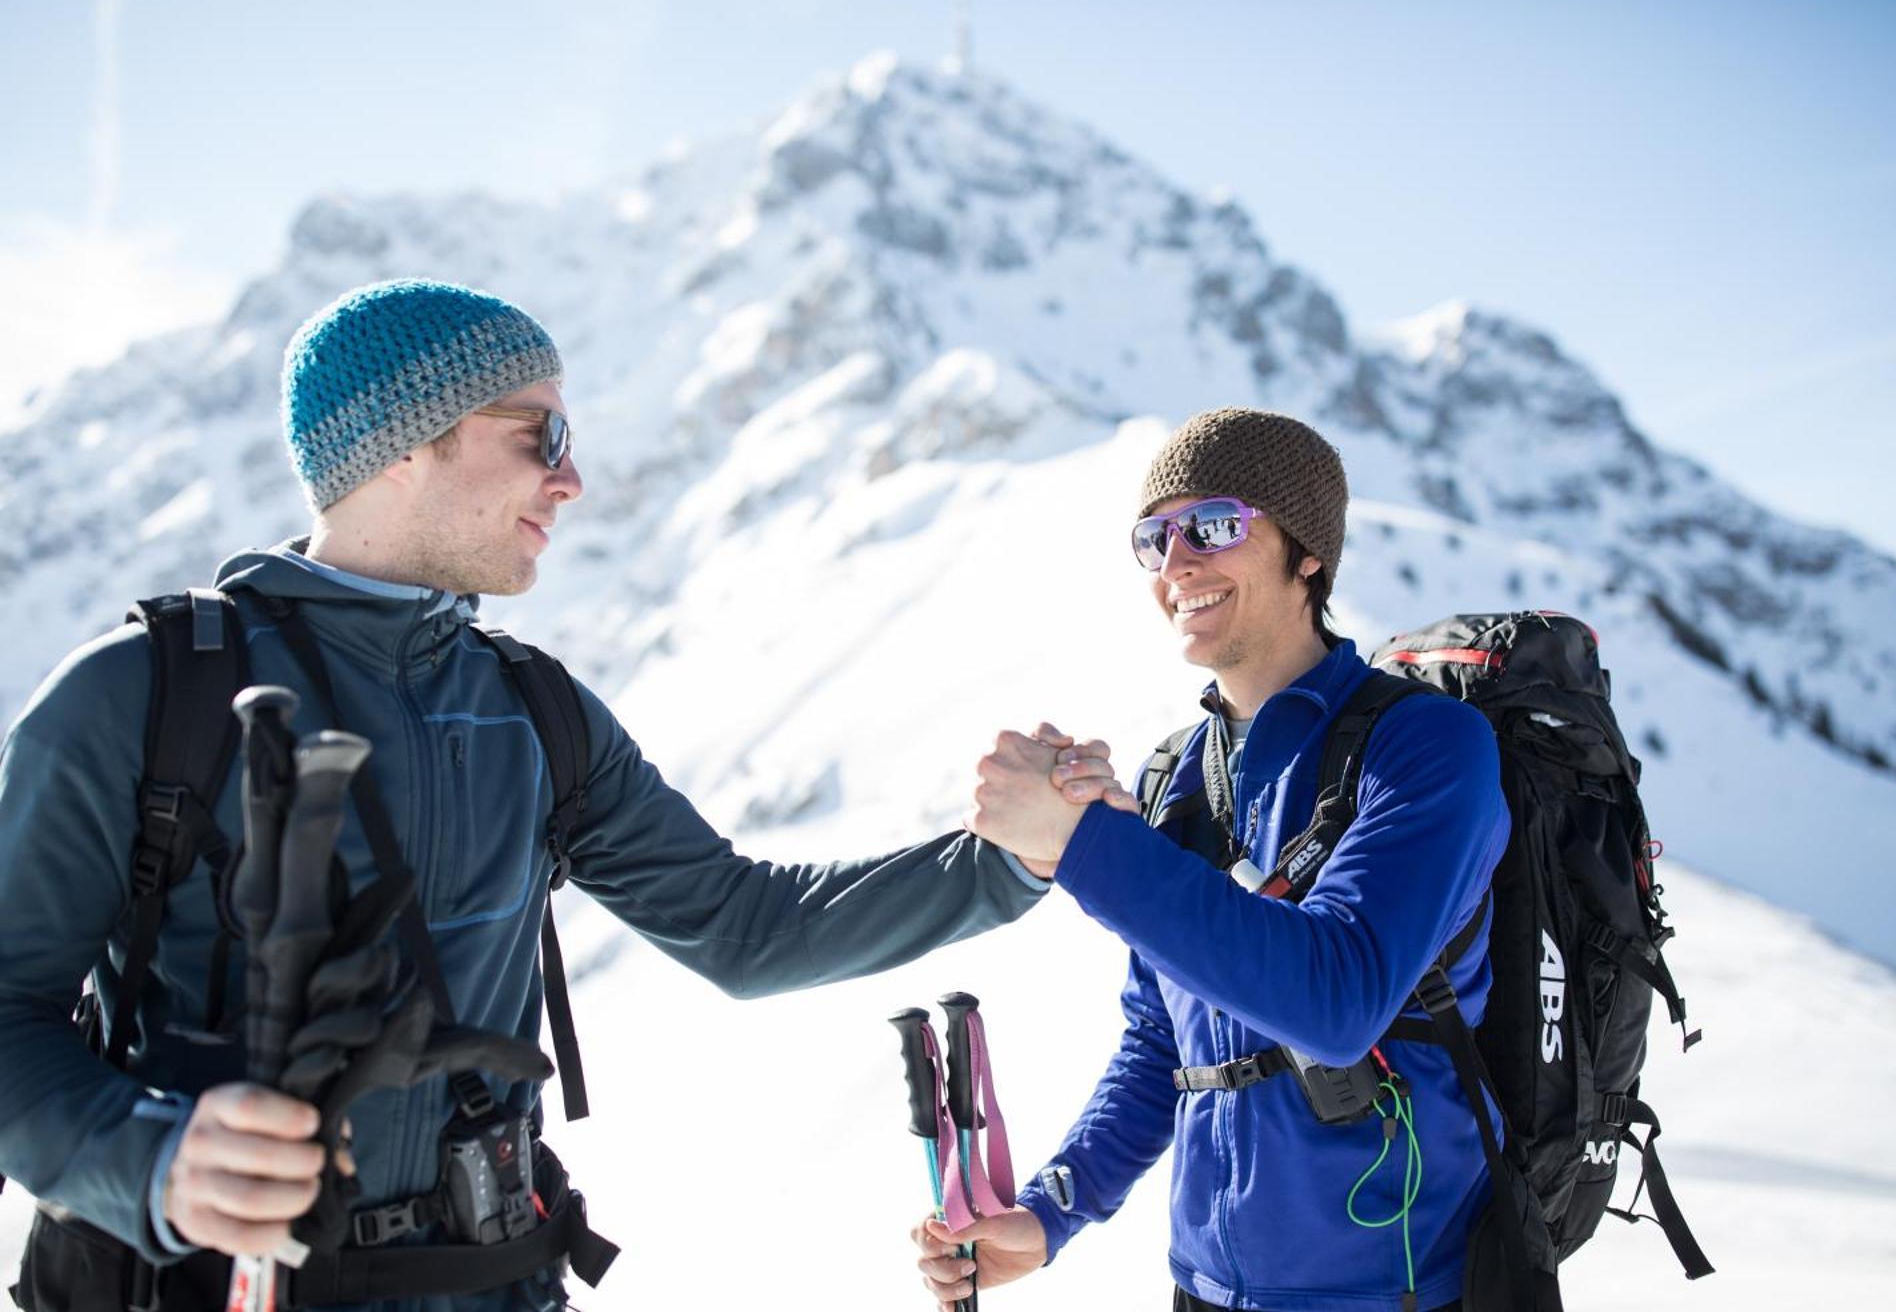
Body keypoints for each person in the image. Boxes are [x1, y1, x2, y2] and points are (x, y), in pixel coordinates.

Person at [0, 279, 1123, 1312]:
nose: (572, 477)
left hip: (491, 1280)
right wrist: (149, 1161)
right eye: (541, 434)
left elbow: (746, 927)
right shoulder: (145, 695)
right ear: (403, 445)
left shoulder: (533, 711)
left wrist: (1007, 860)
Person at [917, 407, 1510, 1311]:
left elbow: (1337, 999)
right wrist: (1048, 1215)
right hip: (1203, 1290)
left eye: (1215, 526)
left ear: (1307, 552)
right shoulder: (1177, 778)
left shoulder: (1426, 748)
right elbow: (1164, 1045)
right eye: (1154, 538)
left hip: (1398, 1294)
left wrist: (1081, 842)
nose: (1177, 563)